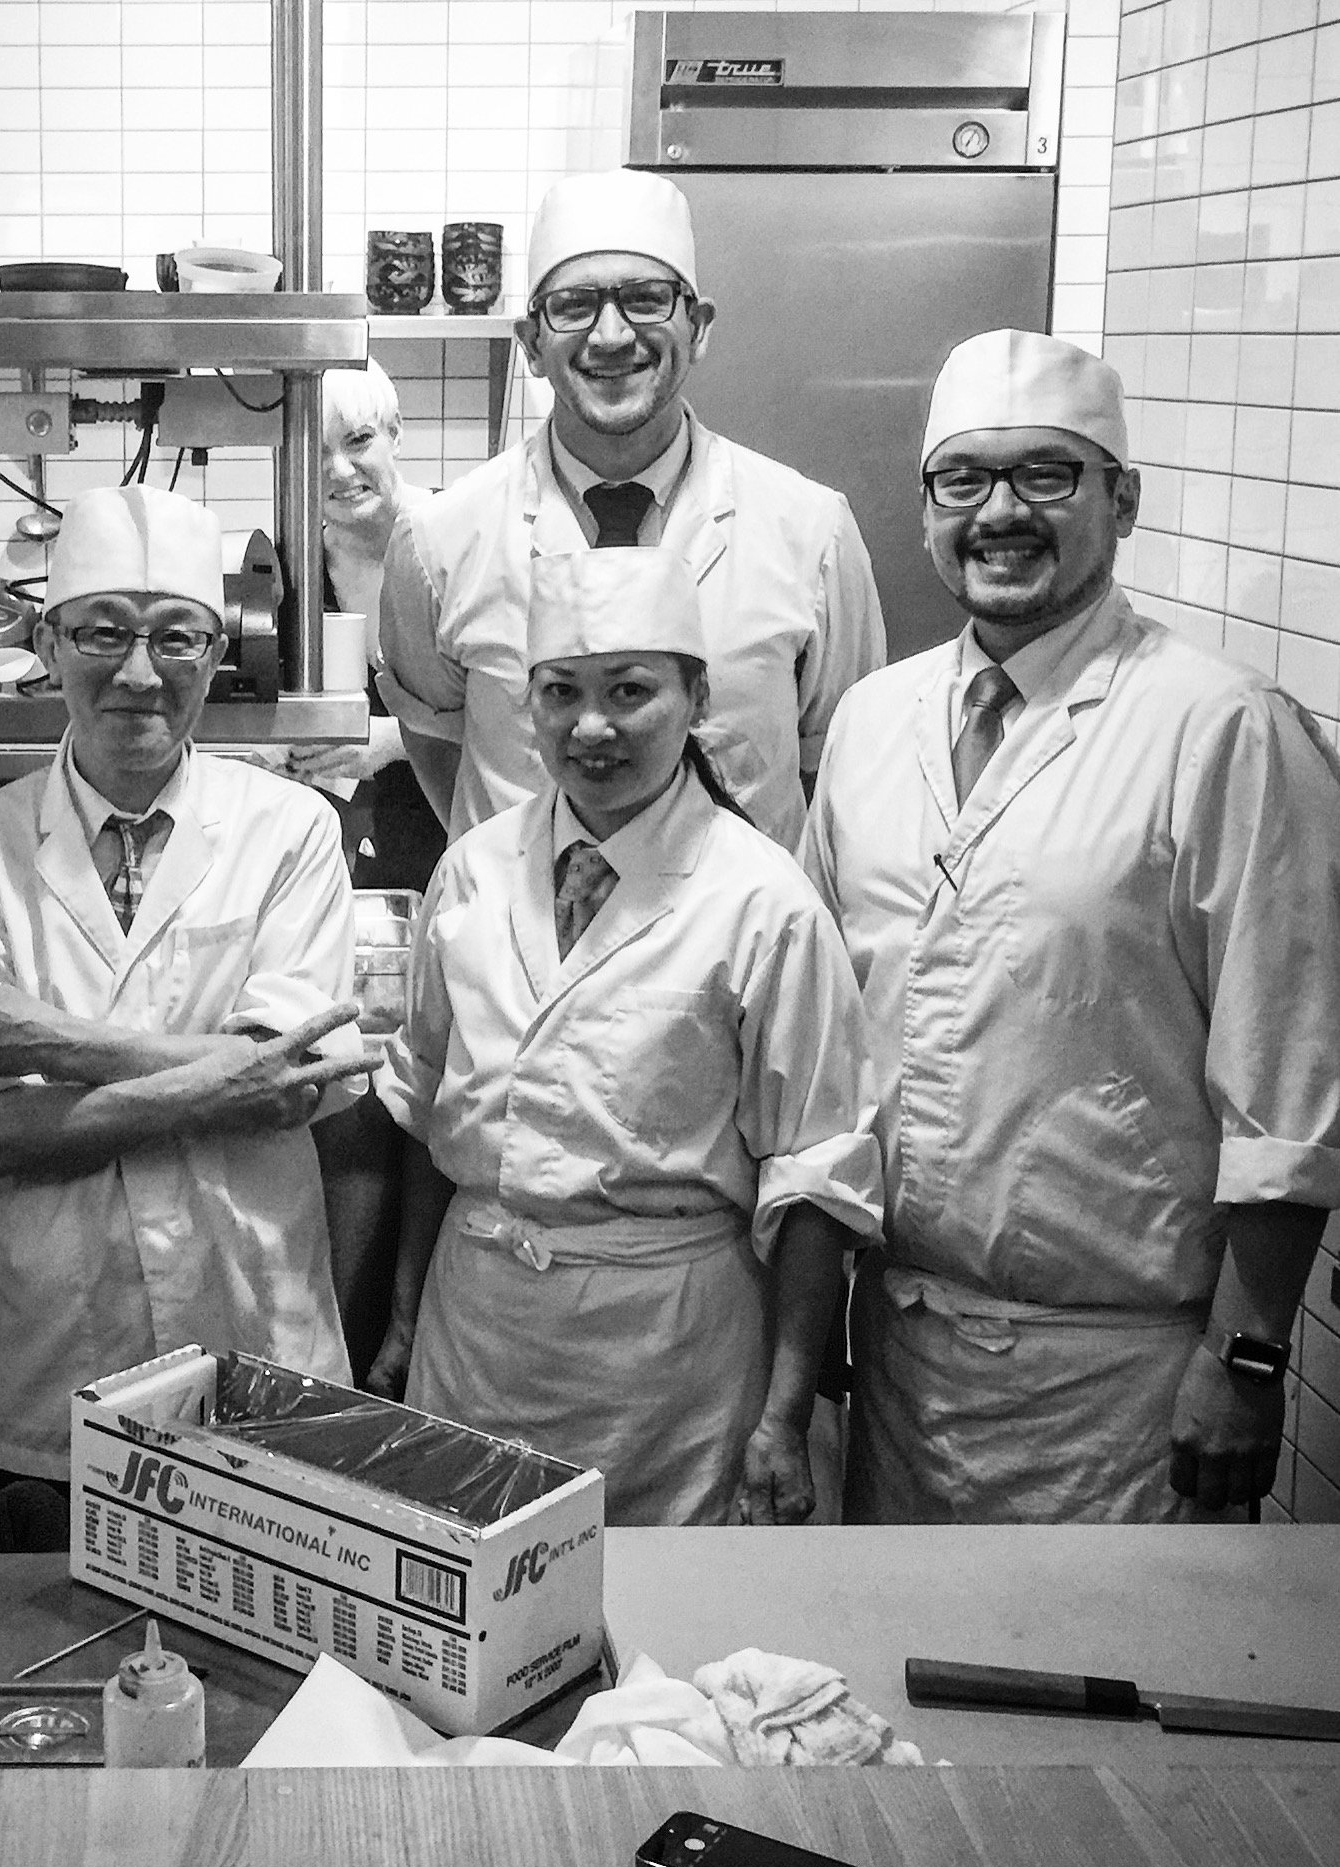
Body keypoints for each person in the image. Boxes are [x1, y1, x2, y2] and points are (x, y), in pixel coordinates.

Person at [802, 330, 1340, 1524]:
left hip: (1125, 1385)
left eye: (1046, 474)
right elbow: (826, 1033)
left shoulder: (1222, 730)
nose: (1001, 513)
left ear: (1123, 498)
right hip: (902, 1354)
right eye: (965, 480)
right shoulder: (871, 723)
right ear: (929, 504)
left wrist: (1245, 1366)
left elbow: (1288, 1095)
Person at [0, 484, 372, 1494]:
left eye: (178, 639)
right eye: (104, 635)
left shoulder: (291, 832)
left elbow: (295, 1084)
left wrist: (51, 1044)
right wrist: (225, 1080)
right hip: (64, 1333)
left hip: (256, 1316)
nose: (141, 675)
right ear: (48, 648)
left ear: (216, 656)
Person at [373, 547, 885, 1526]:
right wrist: (402, 1324)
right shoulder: (476, 871)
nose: (593, 726)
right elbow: (428, 1116)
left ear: (696, 698)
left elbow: (816, 1179)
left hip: (669, 1369)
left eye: (632, 690)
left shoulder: (762, 903)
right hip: (478, 1340)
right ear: (528, 705)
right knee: (473, 1640)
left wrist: (783, 1417)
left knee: (661, 1651)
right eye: (561, 691)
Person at [378, 166, 885, 847]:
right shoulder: (438, 540)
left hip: (737, 948)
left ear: (698, 327)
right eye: (574, 305)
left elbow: (839, 771)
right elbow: (438, 746)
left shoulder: (811, 534)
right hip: (524, 942)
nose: (611, 336)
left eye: (645, 299)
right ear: (531, 342)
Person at [276, 359, 447, 893]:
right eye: (317, 450)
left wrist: (397, 739)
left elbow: (518, 707)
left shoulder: (458, 541)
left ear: (395, 435)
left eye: (357, 441)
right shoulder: (293, 571)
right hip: (340, 856)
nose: (340, 470)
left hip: (457, 829)